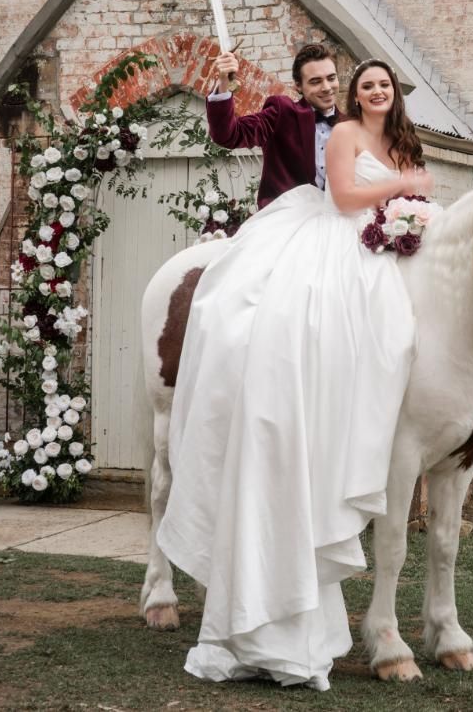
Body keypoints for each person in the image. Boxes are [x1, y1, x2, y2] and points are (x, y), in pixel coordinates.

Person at [157, 58, 433, 691]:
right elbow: (232, 136)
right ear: (302, 81)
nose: (329, 87)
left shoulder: (370, 128)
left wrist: (408, 206)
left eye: (337, 79)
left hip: (358, 238)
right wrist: (221, 88)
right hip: (296, 225)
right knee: (249, 314)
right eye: (320, 79)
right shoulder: (291, 116)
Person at [206, 42, 342, 208]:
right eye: (315, 81)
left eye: (331, 78)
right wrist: (224, 83)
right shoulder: (281, 112)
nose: (327, 87)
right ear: (298, 86)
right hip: (284, 222)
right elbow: (229, 135)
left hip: (337, 224)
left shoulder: (353, 125)